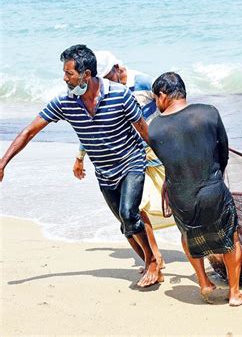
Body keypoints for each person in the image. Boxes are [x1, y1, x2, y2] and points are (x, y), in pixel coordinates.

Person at [0, 45, 162, 287]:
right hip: (105, 172)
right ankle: (151, 260)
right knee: (126, 226)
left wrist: (171, 162)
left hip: (132, 161)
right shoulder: (66, 102)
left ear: (86, 74)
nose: (65, 78)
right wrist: (3, 162)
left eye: (69, 74)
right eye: (65, 73)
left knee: (130, 213)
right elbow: (29, 131)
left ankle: (152, 263)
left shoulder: (120, 94)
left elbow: (145, 131)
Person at [148, 72, 242, 307]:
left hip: (179, 195)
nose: (156, 103)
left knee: (187, 235)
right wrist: (214, 179)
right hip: (212, 189)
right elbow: (222, 151)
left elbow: (168, 162)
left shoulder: (155, 128)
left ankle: (203, 281)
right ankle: (234, 293)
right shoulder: (208, 112)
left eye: (155, 98)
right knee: (230, 238)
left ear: (163, 96)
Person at [72, 51, 167, 271]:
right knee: (137, 206)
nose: (104, 83)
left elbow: (169, 104)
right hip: (132, 156)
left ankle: (199, 246)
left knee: (176, 199)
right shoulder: (103, 92)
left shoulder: (143, 82)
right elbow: (96, 125)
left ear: (117, 68)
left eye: (108, 77)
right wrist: (80, 156)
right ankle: (154, 255)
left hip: (157, 150)